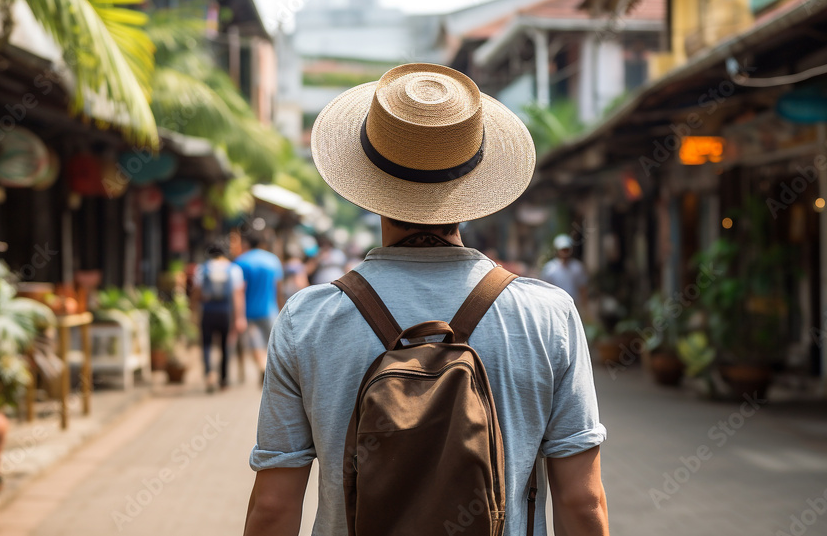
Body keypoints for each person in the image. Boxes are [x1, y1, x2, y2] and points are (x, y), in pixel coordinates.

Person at [244, 64, 608, 536]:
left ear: (369, 184)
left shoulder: (308, 319)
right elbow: (583, 502)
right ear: (474, 183)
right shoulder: (546, 315)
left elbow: (274, 508)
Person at [191, 240, 245, 393]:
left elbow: (197, 292)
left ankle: (209, 374)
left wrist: (193, 309)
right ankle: (224, 379)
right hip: (225, 311)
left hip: (208, 311)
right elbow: (237, 295)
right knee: (224, 345)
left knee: (207, 344)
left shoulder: (202, 269)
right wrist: (239, 316)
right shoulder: (234, 269)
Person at [234, 232, 284, 384]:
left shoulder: (241, 261)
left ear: (247, 244)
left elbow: (238, 291)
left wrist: (237, 315)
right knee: (273, 344)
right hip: (270, 309)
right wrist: (282, 308)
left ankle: (262, 368)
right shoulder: (272, 260)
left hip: (248, 311)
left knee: (254, 343)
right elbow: (278, 288)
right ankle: (271, 371)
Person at [541, 234, 589, 307]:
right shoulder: (549, 268)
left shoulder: (577, 267)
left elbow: (582, 288)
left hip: (574, 306)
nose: (565, 252)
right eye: (562, 250)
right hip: (556, 306)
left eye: (567, 250)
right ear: (557, 250)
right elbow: (545, 289)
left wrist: (585, 307)